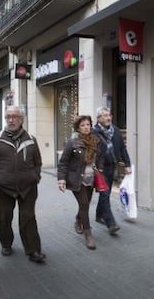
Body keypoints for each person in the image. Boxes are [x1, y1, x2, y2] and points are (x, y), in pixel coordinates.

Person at [0, 106, 46, 263]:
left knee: (28, 218)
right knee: (4, 218)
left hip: (28, 187)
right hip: (3, 188)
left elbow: (37, 162)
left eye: (14, 117)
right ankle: (6, 243)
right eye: (8, 117)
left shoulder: (31, 140)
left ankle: (33, 250)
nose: (11, 120)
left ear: (21, 119)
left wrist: (35, 176)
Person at [57, 115, 105, 250]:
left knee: (85, 204)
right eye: (83, 125)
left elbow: (100, 157)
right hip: (77, 180)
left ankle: (78, 219)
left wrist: (99, 167)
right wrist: (61, 179)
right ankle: (88, 233)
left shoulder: (96, 141)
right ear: (78, 128)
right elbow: (63, 163)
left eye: (88, 125)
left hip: (91, 179)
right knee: (84, 204)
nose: (86, 127)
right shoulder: (72, 143)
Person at [92, 107, 131, 235]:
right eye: (104, 116)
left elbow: (122, 148)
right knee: (104, 193)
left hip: (112, 167)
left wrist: (127, 164)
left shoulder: (116, 131)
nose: (108, 118)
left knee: (106, 194)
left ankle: (99, 215)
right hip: (100, 169)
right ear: (98, 118)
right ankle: (111, 223)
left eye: (109, 115)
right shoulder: (94, 132)